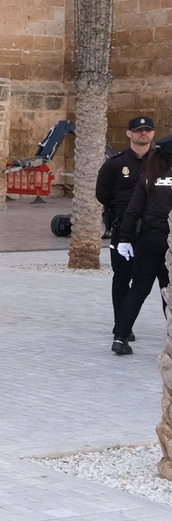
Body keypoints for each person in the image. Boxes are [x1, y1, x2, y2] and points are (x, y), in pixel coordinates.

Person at [109, 135, 172, 356]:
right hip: (169, 242)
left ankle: (120, 337)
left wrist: (125, 239)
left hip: (147, 239)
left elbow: (132, 210)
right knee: (169, 291)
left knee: (137, 290)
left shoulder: (148, 177)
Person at [97, 116, 158, 335]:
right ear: (129, 133)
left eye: (148, 130)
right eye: (139, 130)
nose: (144, 134)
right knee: (122, 278)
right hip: (125, 230)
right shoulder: (115, 164)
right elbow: (102, 194)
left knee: (162, 282)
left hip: (153, 230)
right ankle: (122, 326)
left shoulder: (161, 163)